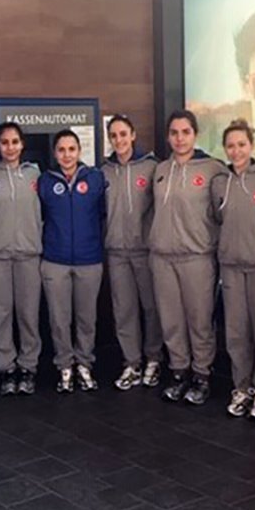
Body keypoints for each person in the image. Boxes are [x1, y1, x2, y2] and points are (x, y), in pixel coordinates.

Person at [149, 110, 227, 405]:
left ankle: (202, 375)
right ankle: (179, 371)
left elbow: (222, 214)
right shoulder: (160, 170)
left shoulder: (213, 169)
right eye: (174, 133)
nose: (179, 138)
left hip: (197, 257)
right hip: (163, 258)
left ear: (195, 134)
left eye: (185, 132)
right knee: (171, 320)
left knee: (199, 320)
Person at [211, 119, 255, 419]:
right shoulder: (219, 181)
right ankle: (241, 387)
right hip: (230, 267)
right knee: (236, 332)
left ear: (251, 146)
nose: (236, 151)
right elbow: (217, 219)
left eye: (241, 144)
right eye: (230, 146)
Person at [38, 130, 107, 393]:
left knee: (86, 318)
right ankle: (64, 366)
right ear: (55, 153)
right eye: (61, 150)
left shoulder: (95, 178)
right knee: (59, 319)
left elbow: (103, 214)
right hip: (55, 260)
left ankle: (84, 364)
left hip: (89, 259)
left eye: (71, 149)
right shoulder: (45, 181)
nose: (67, 155)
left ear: (79, 151)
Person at [0, 122, 42, 395]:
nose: (10, 147)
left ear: (22, 144)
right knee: (0, 315)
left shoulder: (35, 175)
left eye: (15, 142)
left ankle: (28, 367)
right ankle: (6, 367)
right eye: (4, 142)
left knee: (28, 314)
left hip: (28, 254)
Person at [103, 115, 163, 390]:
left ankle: (154, 359)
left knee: (151, 308)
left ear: (133, 135)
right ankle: (132, 362)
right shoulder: (104, 171)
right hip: (116, 252)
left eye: (123, 134)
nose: (119, 140)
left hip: (145, 250)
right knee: (124, 310)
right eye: (114, 136)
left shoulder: (151, 167)